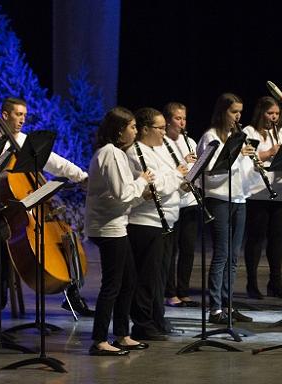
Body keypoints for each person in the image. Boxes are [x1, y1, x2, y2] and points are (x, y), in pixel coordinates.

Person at [0, 97, 92, 316]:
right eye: (17, 114)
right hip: (0, 206)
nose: (22, 119)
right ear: (4, 115)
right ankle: (2, 284)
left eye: (24, 115)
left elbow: (56, 162)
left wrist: (82, 177)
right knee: (5, 233)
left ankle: (72, 293)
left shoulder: (27, 142)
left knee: (64, 234)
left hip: (32, 203)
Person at [84, 106, 153, 356]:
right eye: (132, 127)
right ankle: (100, 340)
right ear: (119, 130)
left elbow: (124, 197)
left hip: (116, 225)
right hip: (107, 228)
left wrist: (141, 195)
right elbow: (123, 192)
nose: (135, 131)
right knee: (112, 284)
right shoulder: (110, 153)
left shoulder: (116, 154)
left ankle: (123, 334)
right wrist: (143, 180)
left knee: (128, 281)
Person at [126, 107, 187, 339]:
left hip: (167, 219)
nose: (164, 132)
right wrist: (177, 176)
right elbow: (156, 185)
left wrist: (180, 181)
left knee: (160, 276)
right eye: (159, 128)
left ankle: (156, 318)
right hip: (146, 221)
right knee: (146, 277)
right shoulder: (135, 152)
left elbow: (168, 181)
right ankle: (142, 324)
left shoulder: (162, 148)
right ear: (144, 129)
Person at [196, 93, 255, 324]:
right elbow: (209, 171)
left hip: (239, 198)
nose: (238, 116)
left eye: (240, 112)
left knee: (233, 256)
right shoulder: (210, 136)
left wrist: (251, 160)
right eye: (233, 112)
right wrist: (234, 155)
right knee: (221, 253)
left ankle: (229, 305)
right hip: (219, 198)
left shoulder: (238, 135)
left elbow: (244, 172)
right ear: (223, 112)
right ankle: (215, 308)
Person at [242, 96, 282, 300]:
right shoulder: (249, 132)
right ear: (261, 113)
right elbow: (245, 159)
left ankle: (276, 283)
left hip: (279, 192)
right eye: (270, 113)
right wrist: (269, 152)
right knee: (255, 239)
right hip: (256, 192)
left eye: (277, 114)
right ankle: (252, 283)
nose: (274, 117)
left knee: (277, 241)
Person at [162, 102, 201, 308]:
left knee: (188, 248)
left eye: (184, 118)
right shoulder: (162, 143)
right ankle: (170, 293)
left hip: (190, 200)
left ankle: (183, 291)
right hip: (172, 202)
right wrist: (185, 163)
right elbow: (169, 171)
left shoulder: (190, 141)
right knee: (171, 250)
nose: (182, 123)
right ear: (168, 121)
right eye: (178, 118)